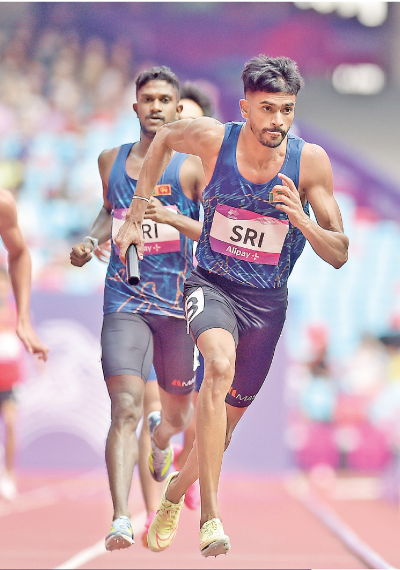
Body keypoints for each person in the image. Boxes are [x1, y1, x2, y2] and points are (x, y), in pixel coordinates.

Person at [115, 55, 349, 557]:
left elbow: (340, 253)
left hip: (266, 304)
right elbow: (161, 139)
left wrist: (302, 220)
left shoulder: (310, 163)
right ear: (245, 108)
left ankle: (174, 494)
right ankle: (213, 519)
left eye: (286, 110)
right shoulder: (212, 139)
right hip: (212, 283)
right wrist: (136, 214)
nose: (278, 122)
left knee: (217, 433)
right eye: (267, 110)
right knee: (217, 366)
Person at [70, 65, 205, 551]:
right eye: (147, 98)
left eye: (164, 100)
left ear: (175, 108)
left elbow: (210, 233)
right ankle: (121, 518)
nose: (155, 106)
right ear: (135, 107)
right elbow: (111, 211)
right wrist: (90, 240)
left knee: (177, 416)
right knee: (124, 406)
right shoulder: (110, 160)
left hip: (174, 307)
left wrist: (170, 217)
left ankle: (162, 441)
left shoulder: (191, 167)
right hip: (124, 297)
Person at [0, 188, 49, 499]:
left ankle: (9, 473)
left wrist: (23, 322)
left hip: (7, 377)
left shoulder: (3, 203)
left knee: (12, 423)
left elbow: (18, 253)